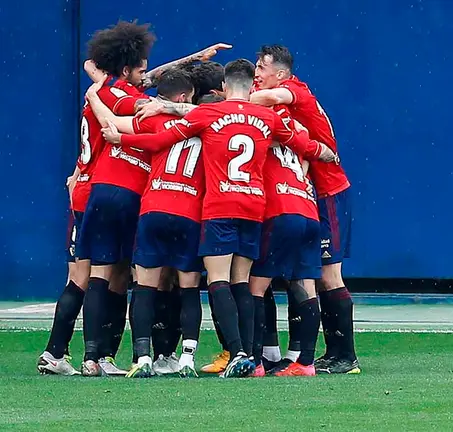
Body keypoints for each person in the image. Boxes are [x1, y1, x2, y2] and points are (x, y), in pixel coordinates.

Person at [102, 58, 337, 378]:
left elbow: (161, 140)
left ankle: (232, 352)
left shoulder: (208, 113)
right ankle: (253, 360)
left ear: (225, 87)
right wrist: (323, 152)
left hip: (219, 206)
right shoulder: (267, 115)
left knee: (217, 281)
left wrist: (123, 138)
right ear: (248, 86)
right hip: (255, 207)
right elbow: (300, 143)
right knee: (245, 284)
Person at [85, 69, 204, 378]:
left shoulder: (153, 118)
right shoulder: (207, 123)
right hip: (189, 211)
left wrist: (94, 96)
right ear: (184, 97)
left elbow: (112, 124)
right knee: (188, 288)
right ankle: (185, 357)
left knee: (144, 286)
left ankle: (142, 357)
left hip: (153, 206)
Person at [251, 45, 358, 374]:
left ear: (281, 76)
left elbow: (260, 101)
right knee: (305, 275)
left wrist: (236, 96)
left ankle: (345, 355)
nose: (257, 74)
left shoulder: (294, 91)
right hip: (308, 193)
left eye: (261, 68)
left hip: (329, 192)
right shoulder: (283, 95)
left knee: (329, 275)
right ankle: (322, 354)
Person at [248, 106, 323, 377]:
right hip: (308, 209)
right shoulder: (294, 132)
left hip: (279, 211)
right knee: (305, 285)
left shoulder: (260, 129)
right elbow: (305, 155)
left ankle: (255, 361)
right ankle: (306, 362)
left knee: (255, 286)